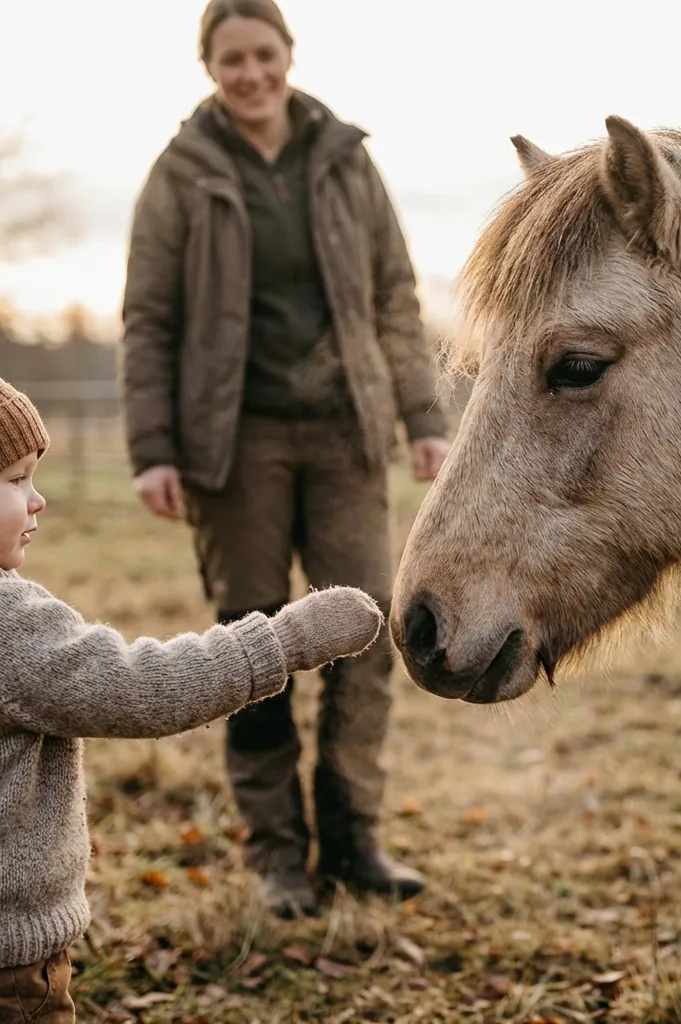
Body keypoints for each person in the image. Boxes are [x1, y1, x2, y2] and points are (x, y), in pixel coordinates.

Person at [119, 0, 450, 917]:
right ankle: (277, 857)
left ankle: (355, 839)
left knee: (365, 634)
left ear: (289, 55)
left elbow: (394, 294)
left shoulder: (345, 159)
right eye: (232, 60)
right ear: (210, 68)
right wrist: (154, 448)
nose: (251, 73)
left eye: (264, 54)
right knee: (254, 642)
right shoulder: (181, 175)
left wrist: (423, 415)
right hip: (235, 445)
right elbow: (147, 318)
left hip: (348, 434)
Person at [0, 377, 384, 1023]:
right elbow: (137, 689)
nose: (38, 500)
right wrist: (282, 641)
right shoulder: (10, 624)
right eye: (14, 480)